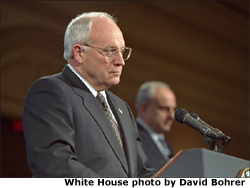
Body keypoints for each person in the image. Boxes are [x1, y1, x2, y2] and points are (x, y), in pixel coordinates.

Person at [22, 12, 156, 178]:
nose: (121, 61)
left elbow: (142, 172)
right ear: (79, 53)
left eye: (122, 51)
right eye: (110, 51)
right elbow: (57, 165)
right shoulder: (50, 91)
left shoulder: (122, 107)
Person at [135, 81, 176, 171]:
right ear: (144, 108)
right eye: (165, 109)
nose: (172, 116)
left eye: (173, 109)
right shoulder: (133, 136)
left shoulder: (166, 144)